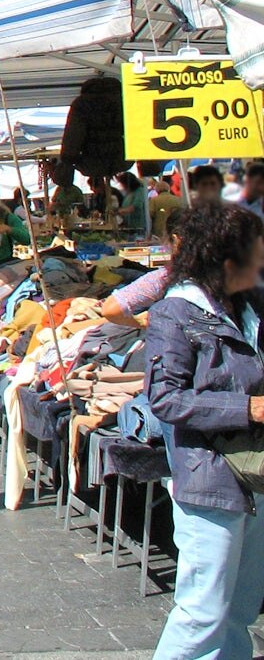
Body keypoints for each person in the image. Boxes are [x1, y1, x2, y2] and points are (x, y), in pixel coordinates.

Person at [147, 202, 264, 659]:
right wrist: (248, 408)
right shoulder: (176, 313)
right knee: (203, 612)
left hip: (256, 474)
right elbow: (165, 399)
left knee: (241, 607)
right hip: (210, 476)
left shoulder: (251, 306)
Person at [115, 171, 149, 236]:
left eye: (122, 183)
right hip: (129, 226)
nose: (121, 185)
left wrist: (119, 211)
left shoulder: (140, 191)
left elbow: (135, 207)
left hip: (138, 227)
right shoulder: (128, 193)